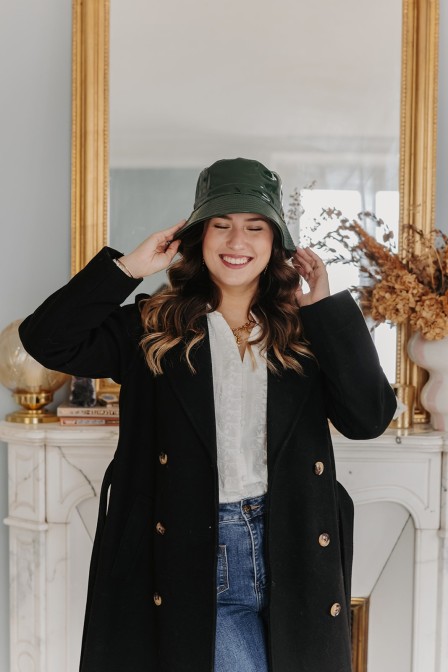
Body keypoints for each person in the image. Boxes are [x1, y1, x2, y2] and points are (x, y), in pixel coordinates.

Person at [19, 158, 396, 672]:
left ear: (275, 242)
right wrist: (128, 269)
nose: (237, 241)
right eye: (221, 225)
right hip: (193, 544)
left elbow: (369, 418)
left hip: (294, 545)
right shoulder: (154, 324)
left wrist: (325, 308)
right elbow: (46, 340)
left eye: (255, 227)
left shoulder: (305, 331)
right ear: (199, 237)